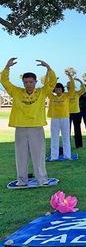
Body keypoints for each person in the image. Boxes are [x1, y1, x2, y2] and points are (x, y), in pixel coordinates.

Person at [0, 57, 56, 186]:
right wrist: (7, 67)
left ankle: (42, 179)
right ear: (23, 82)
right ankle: (22, 180)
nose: (28, 84)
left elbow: (52, 83)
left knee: (39, 155)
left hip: (36, 128)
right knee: (21, 156)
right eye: (25, 82)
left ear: (35, 82)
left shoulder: (42, 92)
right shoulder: (16, 92)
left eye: (31, 82)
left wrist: (48, 68)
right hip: (20, 127)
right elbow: (4, 80)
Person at [47, 77, 76, 161]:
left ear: (62, 89)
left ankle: (67, 155)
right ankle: (54, 157)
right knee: (54, 138)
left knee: (66, 137)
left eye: (59, 89)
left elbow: (73, 88)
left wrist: (71, 78)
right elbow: (46, 88)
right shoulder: (52, 96)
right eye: (56, 89)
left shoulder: (67, 95)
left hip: (65, 118)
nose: (57, 91)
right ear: (54, 90)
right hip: (54, 119)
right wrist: (49, 78)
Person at [67, 77, 86, 148]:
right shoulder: (66, 94)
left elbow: (83, 89)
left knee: (77, 129)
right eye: (68, 86)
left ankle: (79, 145)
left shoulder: (77, 93)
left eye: (70, 86)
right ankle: (67, 145)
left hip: (76, 113)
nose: (69, 87)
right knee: (67, 130)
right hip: (67, 114)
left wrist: (80, 81)